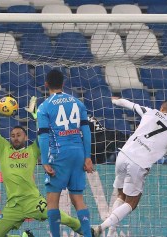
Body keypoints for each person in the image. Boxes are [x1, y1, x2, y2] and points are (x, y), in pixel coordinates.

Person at [0, 84, 83, 237]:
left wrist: (36, 115)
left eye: (19, 135)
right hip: (13, 206)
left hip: (33, 201)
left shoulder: (33, 149)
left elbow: (45, 132)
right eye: (13, 135)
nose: (15, 137)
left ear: (26, 137)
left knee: (62, 218)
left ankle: (87, 232)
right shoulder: (3, 148)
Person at [92, 98, 167, 237]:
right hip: (139, 163)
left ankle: (111, 233)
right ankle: (101, 228)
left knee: (121, 195)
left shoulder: (150, 112)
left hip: (123, 155)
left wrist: (113, 100)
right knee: (132, 203)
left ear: (162, 107)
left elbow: (126, 103)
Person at [37, 70, 94, 237]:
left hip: (59, 154)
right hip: (78, 153)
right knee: (78, 199)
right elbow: (86, 131)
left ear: (46, 84)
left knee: (52, 200)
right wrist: (88, 157)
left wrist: (45, 160)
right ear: (63, 83)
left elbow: (44, 135)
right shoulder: (78, 103)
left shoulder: (44, 107)